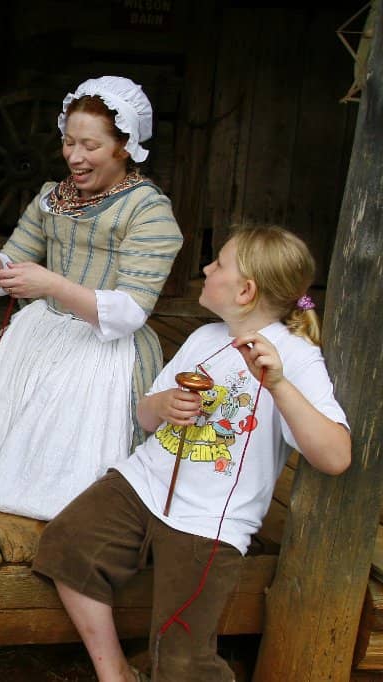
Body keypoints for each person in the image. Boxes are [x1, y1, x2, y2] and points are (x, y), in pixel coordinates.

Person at [34, 225, 351, 681]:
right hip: (141, 483)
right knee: (66, 546)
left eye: (217, 263)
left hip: (208, 520)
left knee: (182, 662)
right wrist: (162, 405)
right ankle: (115, 674)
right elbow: (145, 415)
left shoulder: (296, 359)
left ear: (245, 290)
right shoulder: (204, 337)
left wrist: (278, 385)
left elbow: (336, 456)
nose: (205, 268)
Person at [0, 75, 185, 520]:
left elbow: (132, 310)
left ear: (125, 146)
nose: (74, 157)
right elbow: (17, 260)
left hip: (104, 347)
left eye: (90, 146)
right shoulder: (51, 197)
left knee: (64, 462)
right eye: (68, 142)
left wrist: (53, 286)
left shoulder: (148, 211)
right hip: (41, 331)